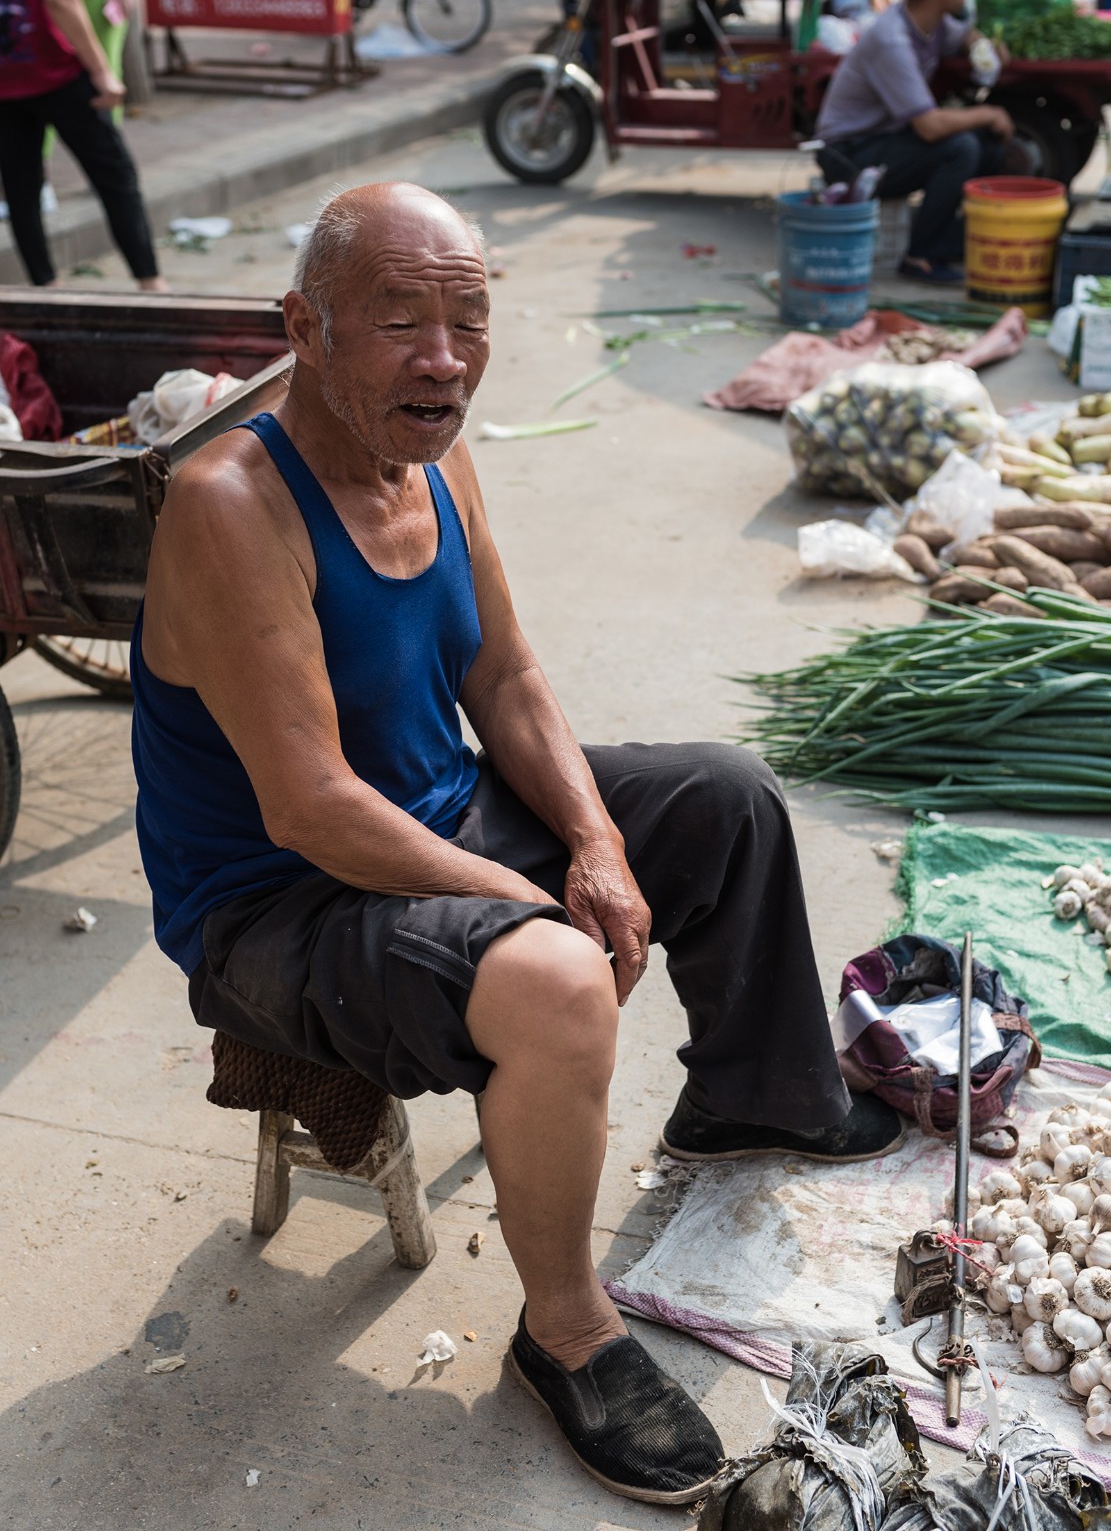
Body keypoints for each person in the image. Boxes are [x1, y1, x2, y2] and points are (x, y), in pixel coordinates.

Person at [130, 181, 904, 1506]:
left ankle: (750, 1095)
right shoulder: (230, 502)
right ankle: (565, 1331)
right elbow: (309, 807)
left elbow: (502, 676)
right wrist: (523, 902)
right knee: (550, 980)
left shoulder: (429, 448)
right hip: (276, 911)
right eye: (398, 324)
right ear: (304, 328)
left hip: (434, 817)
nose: (442, 359)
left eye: (466, 321)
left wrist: (594, 844)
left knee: (720, 797)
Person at [815, 0, 1022, 284]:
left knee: (985, 144)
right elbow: (928, 126)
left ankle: (948, 242)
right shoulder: (891, 39)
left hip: (885, 139)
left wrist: (983, 47)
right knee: (960, 147)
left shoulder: (930, 22)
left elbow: (964, 36)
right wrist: (990, 113)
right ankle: (919, 255)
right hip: (847, 154)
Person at [0, 0, 165, 289]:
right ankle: (150, 282)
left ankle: (45, 285)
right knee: (116, 176)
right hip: (57, 70)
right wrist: (102, 70)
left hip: (7, 78)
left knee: (21, 189)